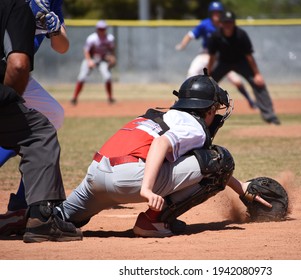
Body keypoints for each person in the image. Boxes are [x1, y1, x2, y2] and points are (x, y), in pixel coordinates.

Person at [57, 70, 272, 238]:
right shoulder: (194, 126)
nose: (214, 116)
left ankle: (30, 219)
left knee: (57, 218)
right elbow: (162, 144)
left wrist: (241, 188)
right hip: (129, 178)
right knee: (220, 160)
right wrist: (147, 190)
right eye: (214, 110)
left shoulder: (166, 116)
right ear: (207, 110)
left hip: (96, 175)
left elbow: (188, 160)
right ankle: (154, 220)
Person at [0, 0, 82, 243]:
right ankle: (28, 207)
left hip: (20, 73)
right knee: (34, 130)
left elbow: (62, 47)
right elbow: (17, 64)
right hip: (11, 70)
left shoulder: (50, 1)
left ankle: (22, 204)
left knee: (52, 115)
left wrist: (54, 27)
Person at [175, 1, 257, 109]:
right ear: (210, 13)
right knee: (192, 73)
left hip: (222, 58)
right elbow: (190, 35)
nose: (216, 15)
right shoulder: (205, 24)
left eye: (218, 13)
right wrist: (182, 45)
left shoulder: (226, 25)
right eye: (214, 13)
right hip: (205, 54)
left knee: (236, 80)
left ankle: (250, 101)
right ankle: (181, 100)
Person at [207, 10, 281, 125]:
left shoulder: (241, 35)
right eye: (225, 22)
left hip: (241, 62)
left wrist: (257, 74)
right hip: (223, 63)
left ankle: (270, 116)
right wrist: (209, 72)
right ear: (221, 23)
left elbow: (249, 56)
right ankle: (202, 113)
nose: (228, 25)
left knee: (258, 84)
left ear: (234, 23)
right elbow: (212, 56)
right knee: (208, 84)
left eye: (230, 22)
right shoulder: (216, 36)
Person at [71, 20, 116, 105]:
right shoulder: (92, 38)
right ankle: (74, 98)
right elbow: (86, 50)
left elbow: (111, 49)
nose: (101, 30)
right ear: (97, 29)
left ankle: (110, 98)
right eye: (100, 29)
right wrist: (89, 61)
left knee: (108, 77)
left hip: (103, 60)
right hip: (91, 59)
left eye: (103, 29)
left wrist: (112, 58)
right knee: (82, 77)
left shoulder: (110, 38)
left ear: (106, 29)